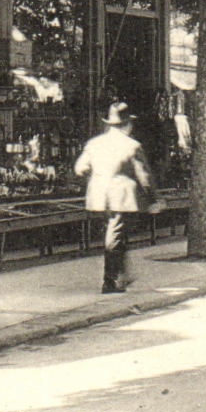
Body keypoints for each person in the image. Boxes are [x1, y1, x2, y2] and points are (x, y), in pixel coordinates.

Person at [76, 102, 155, 294]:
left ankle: (120, 274)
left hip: (98, 198)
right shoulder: (132, 146)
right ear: (127, 124)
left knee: (115, 235)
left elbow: (80, 168)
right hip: (121, 197)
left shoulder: (94, 144)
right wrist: (152, 197)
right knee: (116, 237)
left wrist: (96, 179)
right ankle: (110, 281)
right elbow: (144, 176)